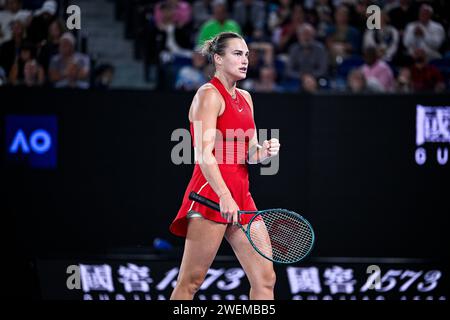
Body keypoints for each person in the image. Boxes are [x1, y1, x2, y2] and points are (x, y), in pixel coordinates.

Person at [169, 32, 280, 300]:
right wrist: (224, 196)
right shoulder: (207, 95)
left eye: (247, 55)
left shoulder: (246, 98)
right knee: (191, 282)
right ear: (218, 59)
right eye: (237, 54)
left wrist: (262, 152)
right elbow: (203, 154)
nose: (245, 60)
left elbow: (249, 152)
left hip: (241, 196)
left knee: (265, 279)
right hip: (211, 194)